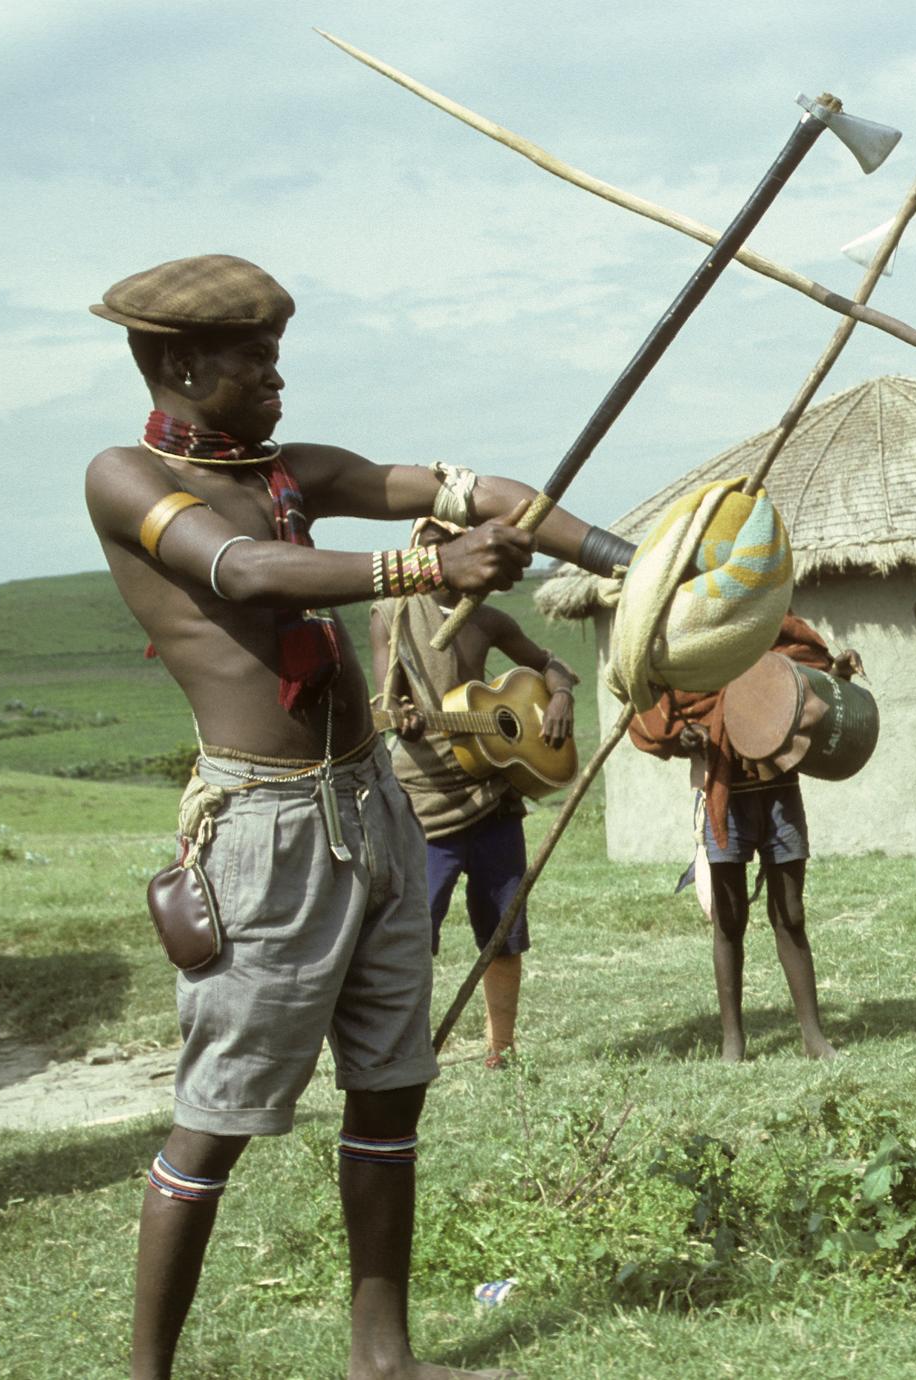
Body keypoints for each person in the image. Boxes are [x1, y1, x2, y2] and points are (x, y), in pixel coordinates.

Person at [84, 253, 632, 1380]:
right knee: (220, 1112)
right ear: (181, 363)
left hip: (374, 805)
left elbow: (466, 492)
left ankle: (382, 1360)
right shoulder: (126, 478)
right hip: (266, 827)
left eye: (280, 358)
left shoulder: (293, 469)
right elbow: (243, 572)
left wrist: (626, 558)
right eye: (255, 361)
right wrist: (420, 570)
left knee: (390, 1085)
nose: (278, 381)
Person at [370, 519, 579, 1070]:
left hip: (493, 800)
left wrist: (559, 697)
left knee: (503, 928)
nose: (440, 559)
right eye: (431, 549)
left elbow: (550, 664)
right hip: (424, 805)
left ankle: (500, 1050)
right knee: (415, 932)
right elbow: (384, 699)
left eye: (451, 547)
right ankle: (407, 1050)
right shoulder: (391, 615)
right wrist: (399, 717)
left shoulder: (488, 619)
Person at [628, 614, 857, 1063]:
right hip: (724, 794)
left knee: (791, 912)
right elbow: (656, 716)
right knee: (729, 920)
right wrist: (685, 738)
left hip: (779, 790)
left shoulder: (769, 631)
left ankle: (813, 1035)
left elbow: (806, 679)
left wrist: (837, 675)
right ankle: (733, 1039)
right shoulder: (688, 650)